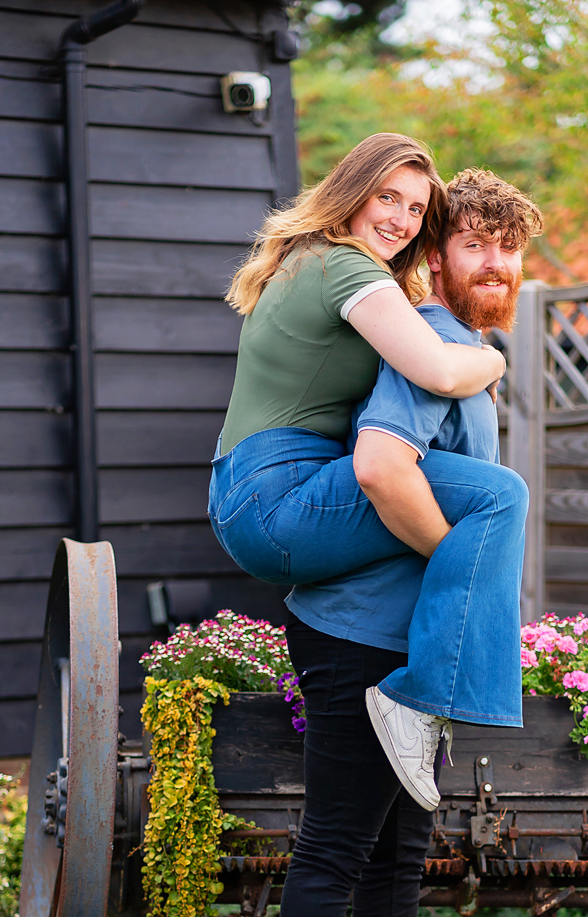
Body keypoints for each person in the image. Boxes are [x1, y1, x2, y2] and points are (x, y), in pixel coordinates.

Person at [277, 169, 544, 917]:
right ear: (436, 254)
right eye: (476, 243)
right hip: (358, 632)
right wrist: (458, 568)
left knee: (396, 851)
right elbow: (383, 467)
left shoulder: (464, 347)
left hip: (406, 641)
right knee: (337, 848)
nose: (496, 263)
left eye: (508, 248)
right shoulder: (427, 340)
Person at [208, 134, 514, 812]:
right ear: (352, 192)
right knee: (497, 496)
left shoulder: (309, 259)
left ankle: (438, 690)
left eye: (414, 208)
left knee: (483, 500)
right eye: (387, 197)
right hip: (277, 495)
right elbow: (436, 369)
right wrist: (496, 362)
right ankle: (432, 695)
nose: (400, 219)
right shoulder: (346, 267)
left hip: (253, 491)